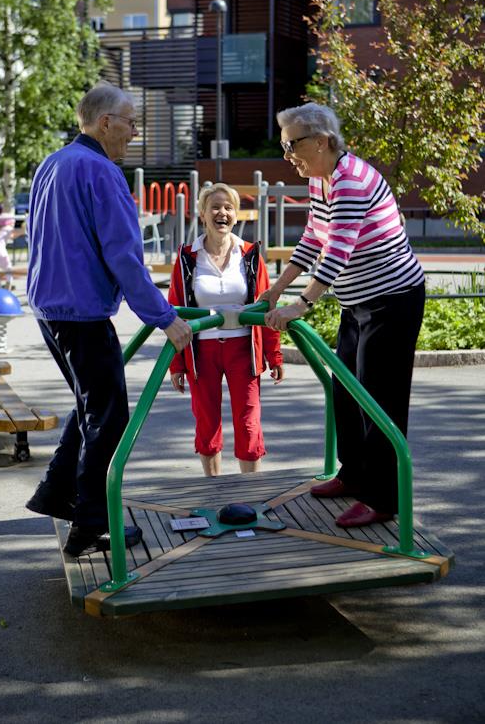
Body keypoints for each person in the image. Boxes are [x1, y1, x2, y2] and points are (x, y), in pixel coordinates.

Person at [25, 82, 192, 556]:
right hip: (81, 312)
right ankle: (91, 524)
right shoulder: (102, 172)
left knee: (92, 404)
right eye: (131, 123)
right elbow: (124, 256)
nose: (134, 133)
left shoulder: (52, 163)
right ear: (105, 123)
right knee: (109, 414)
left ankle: (57, 492)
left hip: (49, 306)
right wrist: (164, 317)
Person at [262, 102, 425, 528]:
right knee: (346, 390)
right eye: (283, 147)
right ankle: (353, 476)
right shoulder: (322, 179)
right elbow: (314, 239)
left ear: (321, 141)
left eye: (292, 145)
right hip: (358, 303)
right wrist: (275, 290)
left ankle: (383, 498)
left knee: (379, 399)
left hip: (393, 300)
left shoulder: (350, 180)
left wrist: (303, 303)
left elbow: (338, 250)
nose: (287, 155)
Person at [168, 182, 284, 476]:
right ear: (203, 214)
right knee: (206, 421)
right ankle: (214, 489)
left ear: (236, 215)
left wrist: (275, 354)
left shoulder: (250, 255)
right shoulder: (186, 257)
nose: (223, 212)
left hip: (243, 348)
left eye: (229, 207)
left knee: (248, 421)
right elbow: (174, 311)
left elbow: (266, 306)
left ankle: (251, 491)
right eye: (215, 207)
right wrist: (176, 363)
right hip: (201, 350)